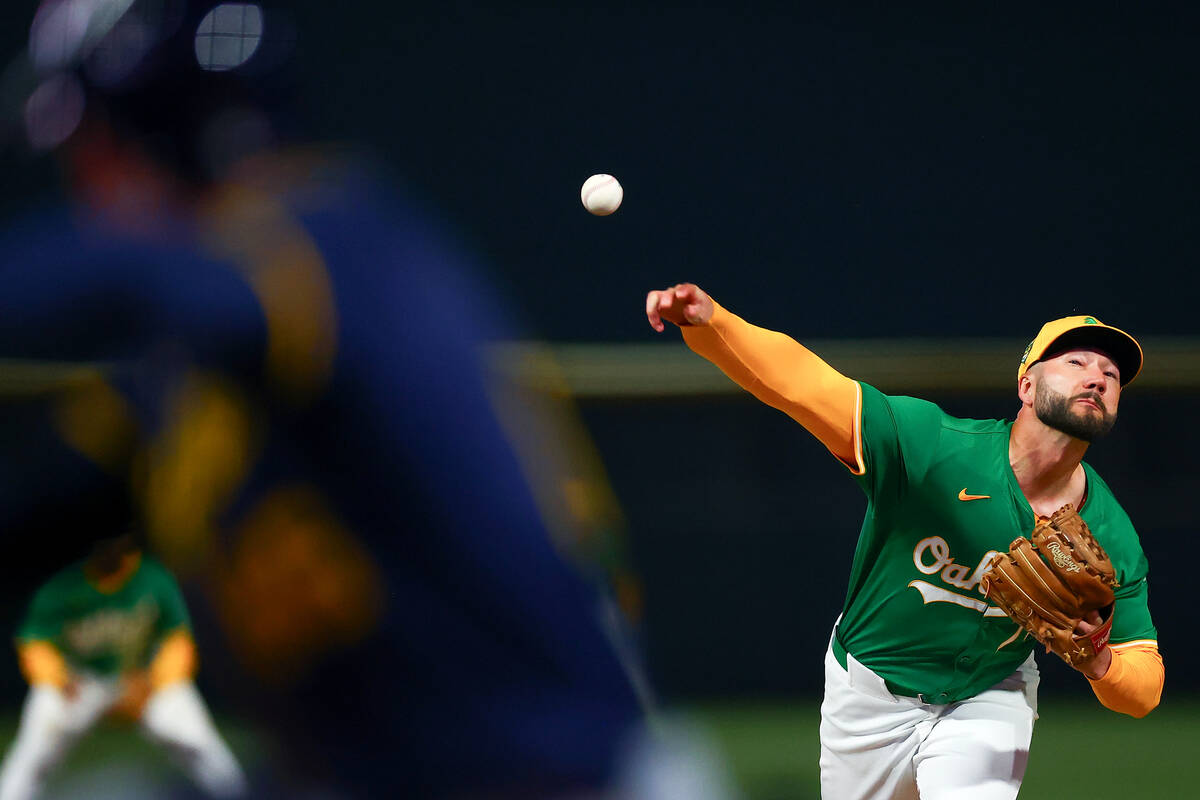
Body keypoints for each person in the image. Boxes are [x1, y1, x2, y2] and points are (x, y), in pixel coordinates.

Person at [0, 2, 666, 797]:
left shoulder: (333, 243)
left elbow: (140, 279)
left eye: (94, 146)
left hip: (559, 772)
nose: (84, 189)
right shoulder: (178, 379)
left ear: (165, 127)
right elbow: (42, 513)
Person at [645, 282, 1164, 800]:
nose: (1097, 376)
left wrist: (1100, 662)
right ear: (1026, 386)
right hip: (868, 691)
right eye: (1076, 363)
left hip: (989, 693)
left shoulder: (1110, 532)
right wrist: (712, 324)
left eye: (1113, 375)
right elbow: (804, 384)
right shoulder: (931, 447)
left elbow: (1144, 686)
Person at [0, 532, 247, 800]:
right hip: (79, 683)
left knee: (198, 740)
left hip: (142, 679)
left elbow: (177, 639)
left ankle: (241, 793)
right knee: (33, 751)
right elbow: (35, 641)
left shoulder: (153, 579)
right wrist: (59, 679)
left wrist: (153, 682)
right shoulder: (63, 587)